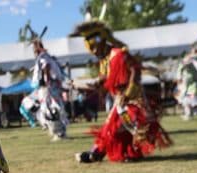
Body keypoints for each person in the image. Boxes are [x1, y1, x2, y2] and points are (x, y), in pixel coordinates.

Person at [70, 20, 170, 163]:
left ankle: (102, 152)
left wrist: (129, 92)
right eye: (90, 49)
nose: (94, 51)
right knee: (112, 128)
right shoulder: (104, 60)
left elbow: (135, 70)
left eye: (94, 47)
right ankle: (102, 152)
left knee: (124, 128)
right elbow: (102, 81)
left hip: (133, 99)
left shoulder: (118, 54)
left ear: (101, 40)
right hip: (120, 99)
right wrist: (80, 84)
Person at [31, 39, 69, 140]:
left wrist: (47, 82)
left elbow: (46, 68)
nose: (34, 52)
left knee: (52, 108)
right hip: (52, 86)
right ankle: (59, 132)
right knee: (51, 108)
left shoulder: (44, 58)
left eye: (34, 50)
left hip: (50, 86)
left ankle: (59, 133)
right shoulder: (45, 57)